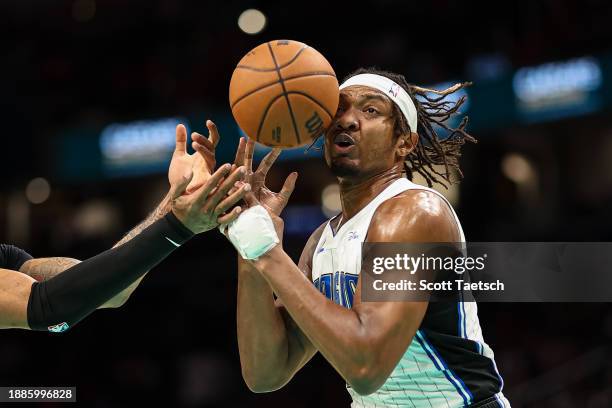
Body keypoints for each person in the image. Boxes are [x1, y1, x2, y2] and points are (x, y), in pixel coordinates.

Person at [219, 69, 510, 407]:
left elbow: (366, 366)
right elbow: (265, 374)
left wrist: (268, 252)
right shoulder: (322, 241)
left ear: (405, 142)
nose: (347, 120)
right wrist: (250, 249)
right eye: (337, 110)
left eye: (370, 110)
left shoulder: (416, 212)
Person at [0, 121, 249, 332]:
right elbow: (48, 310)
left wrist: (174, 202)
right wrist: (178, 225)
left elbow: (109, 291)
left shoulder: (7, 257)